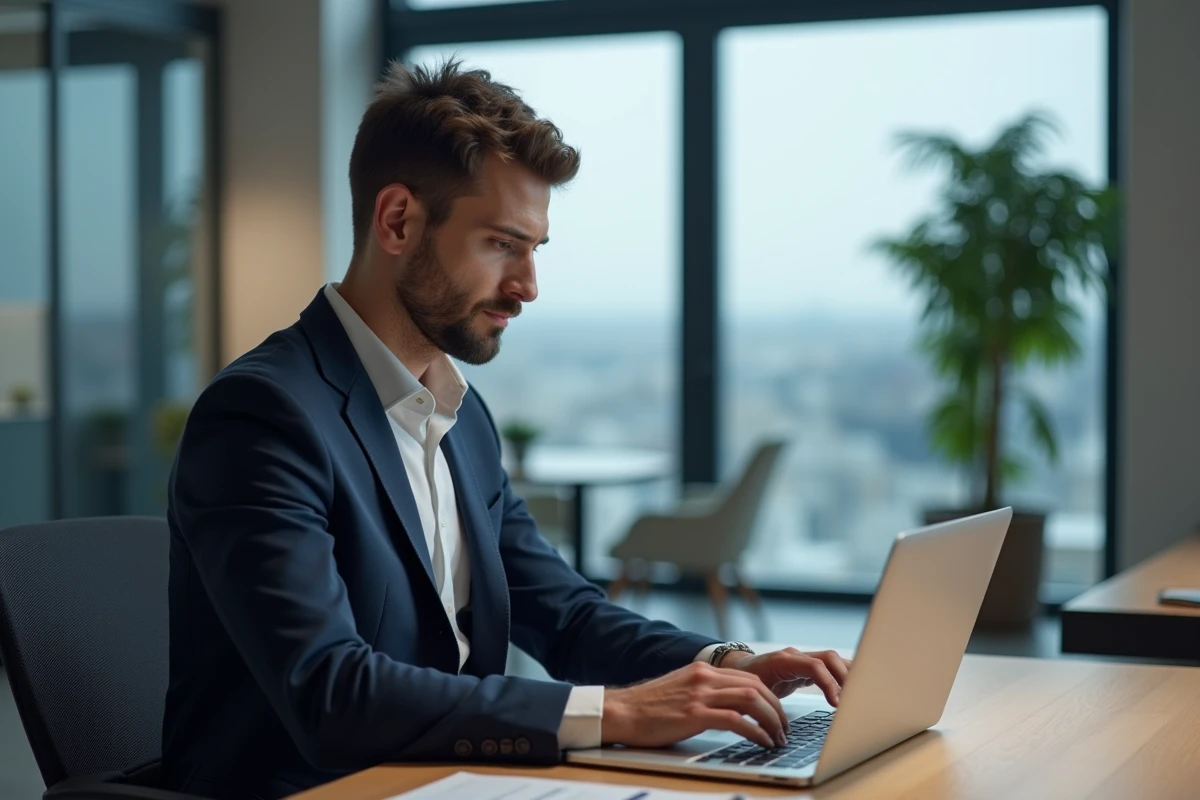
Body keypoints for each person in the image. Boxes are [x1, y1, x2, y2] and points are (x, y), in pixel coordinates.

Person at [162, 59, 851, 800]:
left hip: (453, 780)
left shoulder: (463, 419)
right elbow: (330, 689)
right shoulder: (263, 418)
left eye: (534, 250)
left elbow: (565, 613)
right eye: (502, 244)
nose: (527, 286)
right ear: (397, 220)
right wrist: (615, 712)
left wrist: (727, 663)